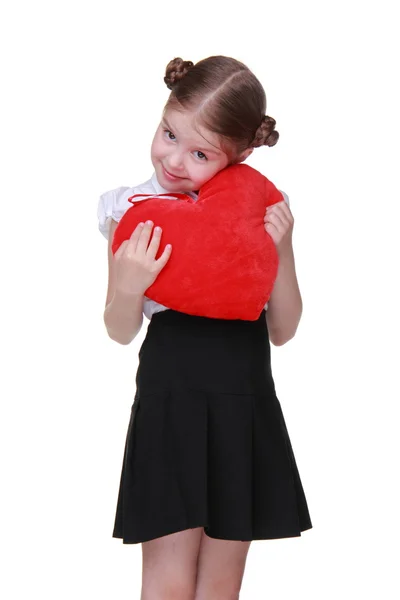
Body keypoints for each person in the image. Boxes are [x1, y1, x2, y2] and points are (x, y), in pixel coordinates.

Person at [98, 55, 312, 600]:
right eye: (168, 133)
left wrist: (282, 248)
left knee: (220, 585)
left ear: (240, 154)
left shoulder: (259, 207)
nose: (173, 159)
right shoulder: (132, 208)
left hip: (244, 398)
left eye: (199, 153)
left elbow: (282, 329)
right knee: (168, 581)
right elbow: (119, 329)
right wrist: (129, 285)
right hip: (173, 396)